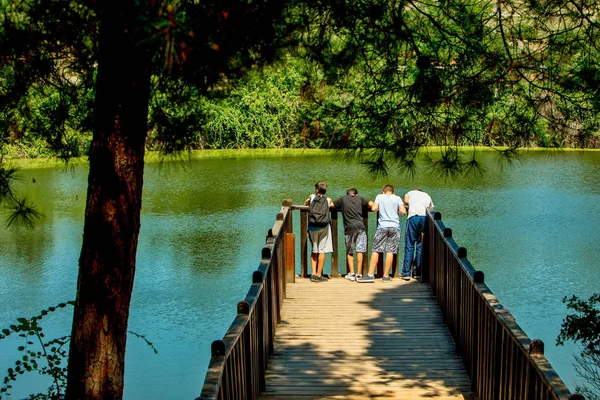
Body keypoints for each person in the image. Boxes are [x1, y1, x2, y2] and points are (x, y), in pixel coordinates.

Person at [357, 184, 404, 283]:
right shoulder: (397, 198)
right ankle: (386, 276)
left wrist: (378, 208)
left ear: (383, 191)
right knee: (390, 251)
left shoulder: (379, 196)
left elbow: (374, 208)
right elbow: (403, 210)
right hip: (395, 227)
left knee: (376, 250)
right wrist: (398, 210)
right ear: (393, 192)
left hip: (382, 226)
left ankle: (370, 275)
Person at [333, 188, 374, 282]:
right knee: (360, 250)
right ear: (356, 194)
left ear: (347, 194)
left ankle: (351, 274)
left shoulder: (343, 199)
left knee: (350, 251)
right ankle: (359, 274)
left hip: (349, 228)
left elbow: (331, 204)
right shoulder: (360, 198)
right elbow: (372, 204)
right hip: (360, 227)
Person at [304, 181, 335, 282]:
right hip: (324, 226)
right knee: (322, 250)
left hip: (313, 227)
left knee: (314, 249)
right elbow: (333, 205)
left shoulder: (312, 197)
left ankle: (313, 274)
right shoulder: (328, 200)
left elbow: (305, 203)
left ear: (317, 189)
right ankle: (318, 274)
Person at [401, 189, 434, 281]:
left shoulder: (410, 192)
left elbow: (406, 201)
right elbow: (431, 208)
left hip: (413, 217)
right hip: (424, 218)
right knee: (420, 245)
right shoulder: (427, 195)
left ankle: (406, 272)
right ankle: (417, 272)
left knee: (409, 244)